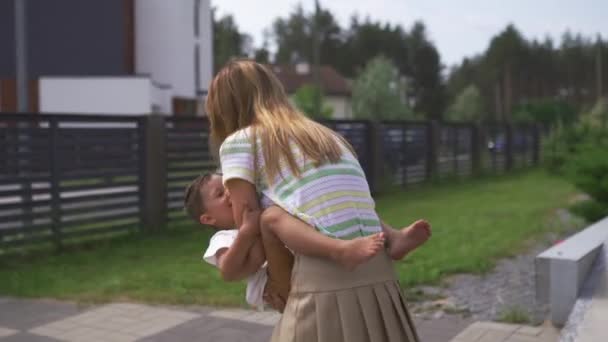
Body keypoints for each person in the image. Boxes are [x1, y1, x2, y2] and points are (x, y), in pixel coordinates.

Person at [205, 59, 429, 341]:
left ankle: (343, 249)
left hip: (327, 275)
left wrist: (271, 278)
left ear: (223, 109)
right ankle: (395, 237)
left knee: (269, 216)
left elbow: (247, 218)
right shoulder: (321, 133)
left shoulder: (239, 141)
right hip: (378, 265)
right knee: (330, 200)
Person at [184, 172, 430, 312]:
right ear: (208, 218)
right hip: (274, 288)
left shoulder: (257, 209)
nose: (229, 192)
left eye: (227, 185)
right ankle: (340, 251)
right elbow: (231, 271)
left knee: (328, 204)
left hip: (294, 262)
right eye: (219, 194)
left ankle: (393, 238)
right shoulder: (224, 238)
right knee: (274, 217)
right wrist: (248, 231)